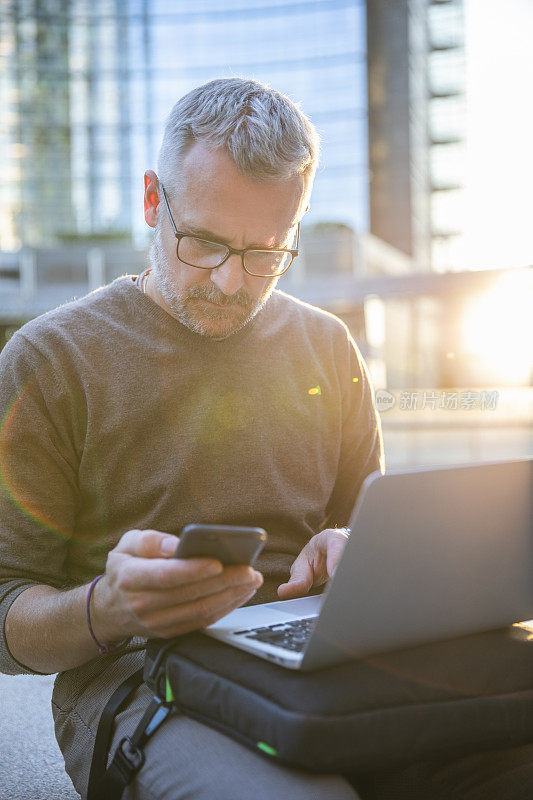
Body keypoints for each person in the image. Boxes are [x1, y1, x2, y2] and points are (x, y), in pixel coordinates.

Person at [0, 78, 383, 800]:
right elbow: (3, 611)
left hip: (316, 658)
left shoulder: (327, 347)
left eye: (266, 253)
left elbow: (368, 533)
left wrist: (348, 549)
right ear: (153, 201)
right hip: (140, 678)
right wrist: (105, 609)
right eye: (203, 242)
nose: (230, 280)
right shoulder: (49, 362)